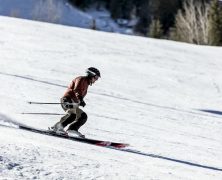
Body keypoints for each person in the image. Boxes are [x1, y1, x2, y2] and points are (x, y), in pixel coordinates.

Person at [51, 67, 100, 137]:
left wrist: (80, 101)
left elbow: (78, 93)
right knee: (72, 115)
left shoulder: (86, 83)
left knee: (83, 116)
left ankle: (72, 129)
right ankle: (56, 128)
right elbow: (77, 90)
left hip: (73, 103)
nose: (96, 80)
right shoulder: (81, 79)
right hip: (67, 99)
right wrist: (80, 99)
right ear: (91, 75)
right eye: (96, 77)